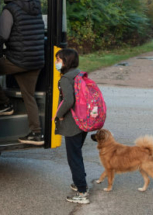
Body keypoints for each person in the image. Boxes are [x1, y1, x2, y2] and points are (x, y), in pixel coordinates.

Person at [0, 0, 45, 145]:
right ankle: (36, 134)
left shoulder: (10, 9)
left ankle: (4, 105)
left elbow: (2, 35)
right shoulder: (35, 6)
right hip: (36, 59)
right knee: (28, 96)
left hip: (18, 60)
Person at [55, 48, 90, 205]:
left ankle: (82, 191)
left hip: (72, 123)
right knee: (77, 153)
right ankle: (79, 182)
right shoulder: (79, 74)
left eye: (58, 60)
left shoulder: (65, 79)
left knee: (73, 157)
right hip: (83, 121)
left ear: (65, 62)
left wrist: (58, 114)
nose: (56, 63)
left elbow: (68, 100)